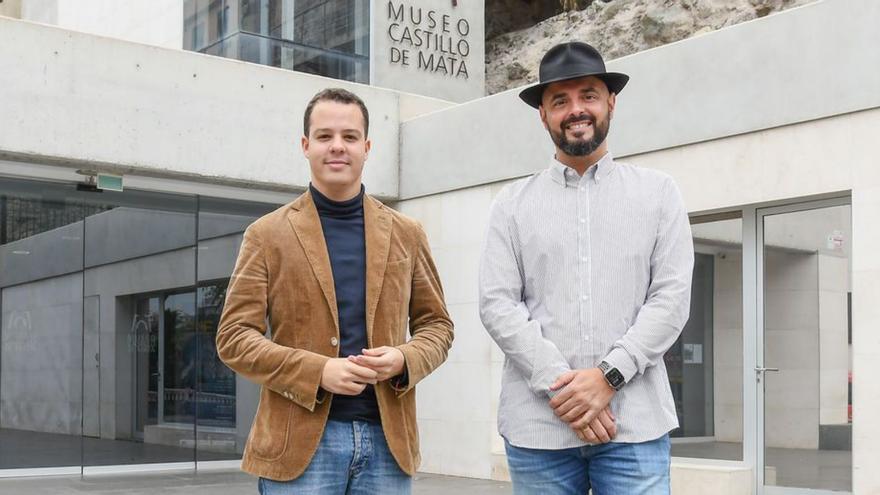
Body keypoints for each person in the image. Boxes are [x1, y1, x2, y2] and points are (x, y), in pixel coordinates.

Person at [479, 41, 694, 495]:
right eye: (560, 100)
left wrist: (607, 377)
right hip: (538, 431)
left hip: (634, 428)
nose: (577, 110)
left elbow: (671, 301)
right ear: (543, 113)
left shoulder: (659, 194)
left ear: (610, 102)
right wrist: (568, 393)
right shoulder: (510, 205)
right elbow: (497, 305)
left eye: (589, 96)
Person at [217, 87, 454, 495]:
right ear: (306, 146)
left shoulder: (407, 233)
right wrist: (318, 371)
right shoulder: (266, 234)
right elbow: (234, 339)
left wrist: (402, 358)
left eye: (349, 137)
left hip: (387, 443)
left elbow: (438, 327)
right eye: (325, 136)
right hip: (298, 448)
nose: (337, 147)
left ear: (367, 146)